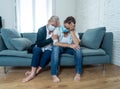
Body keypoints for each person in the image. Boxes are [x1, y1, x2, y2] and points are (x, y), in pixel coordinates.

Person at [22, 16, 60, 82]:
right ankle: (32, 73)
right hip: (39, 47)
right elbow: (39, 44)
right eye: (53, 25)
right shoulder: (41, 30)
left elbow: (56, 42)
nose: (53, 27)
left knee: (48, 53)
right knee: (37, 50)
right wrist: (51, 39)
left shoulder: (56, 30)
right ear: (49, 22)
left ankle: (36, 71)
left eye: (55, 26)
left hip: (48, 48)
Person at [51, 16, 82, 83]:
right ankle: (54, 74)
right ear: (64, 23)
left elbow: (77, 43)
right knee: (55, 48)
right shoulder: (58, 29)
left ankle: (78, 73)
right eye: (65, 27)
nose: (66, 29)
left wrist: (72, 31)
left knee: (78, 49)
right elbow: (55, 43)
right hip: (60, 47)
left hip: (69, 49)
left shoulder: (74, 31)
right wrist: (69, 45)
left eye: (68, 28)